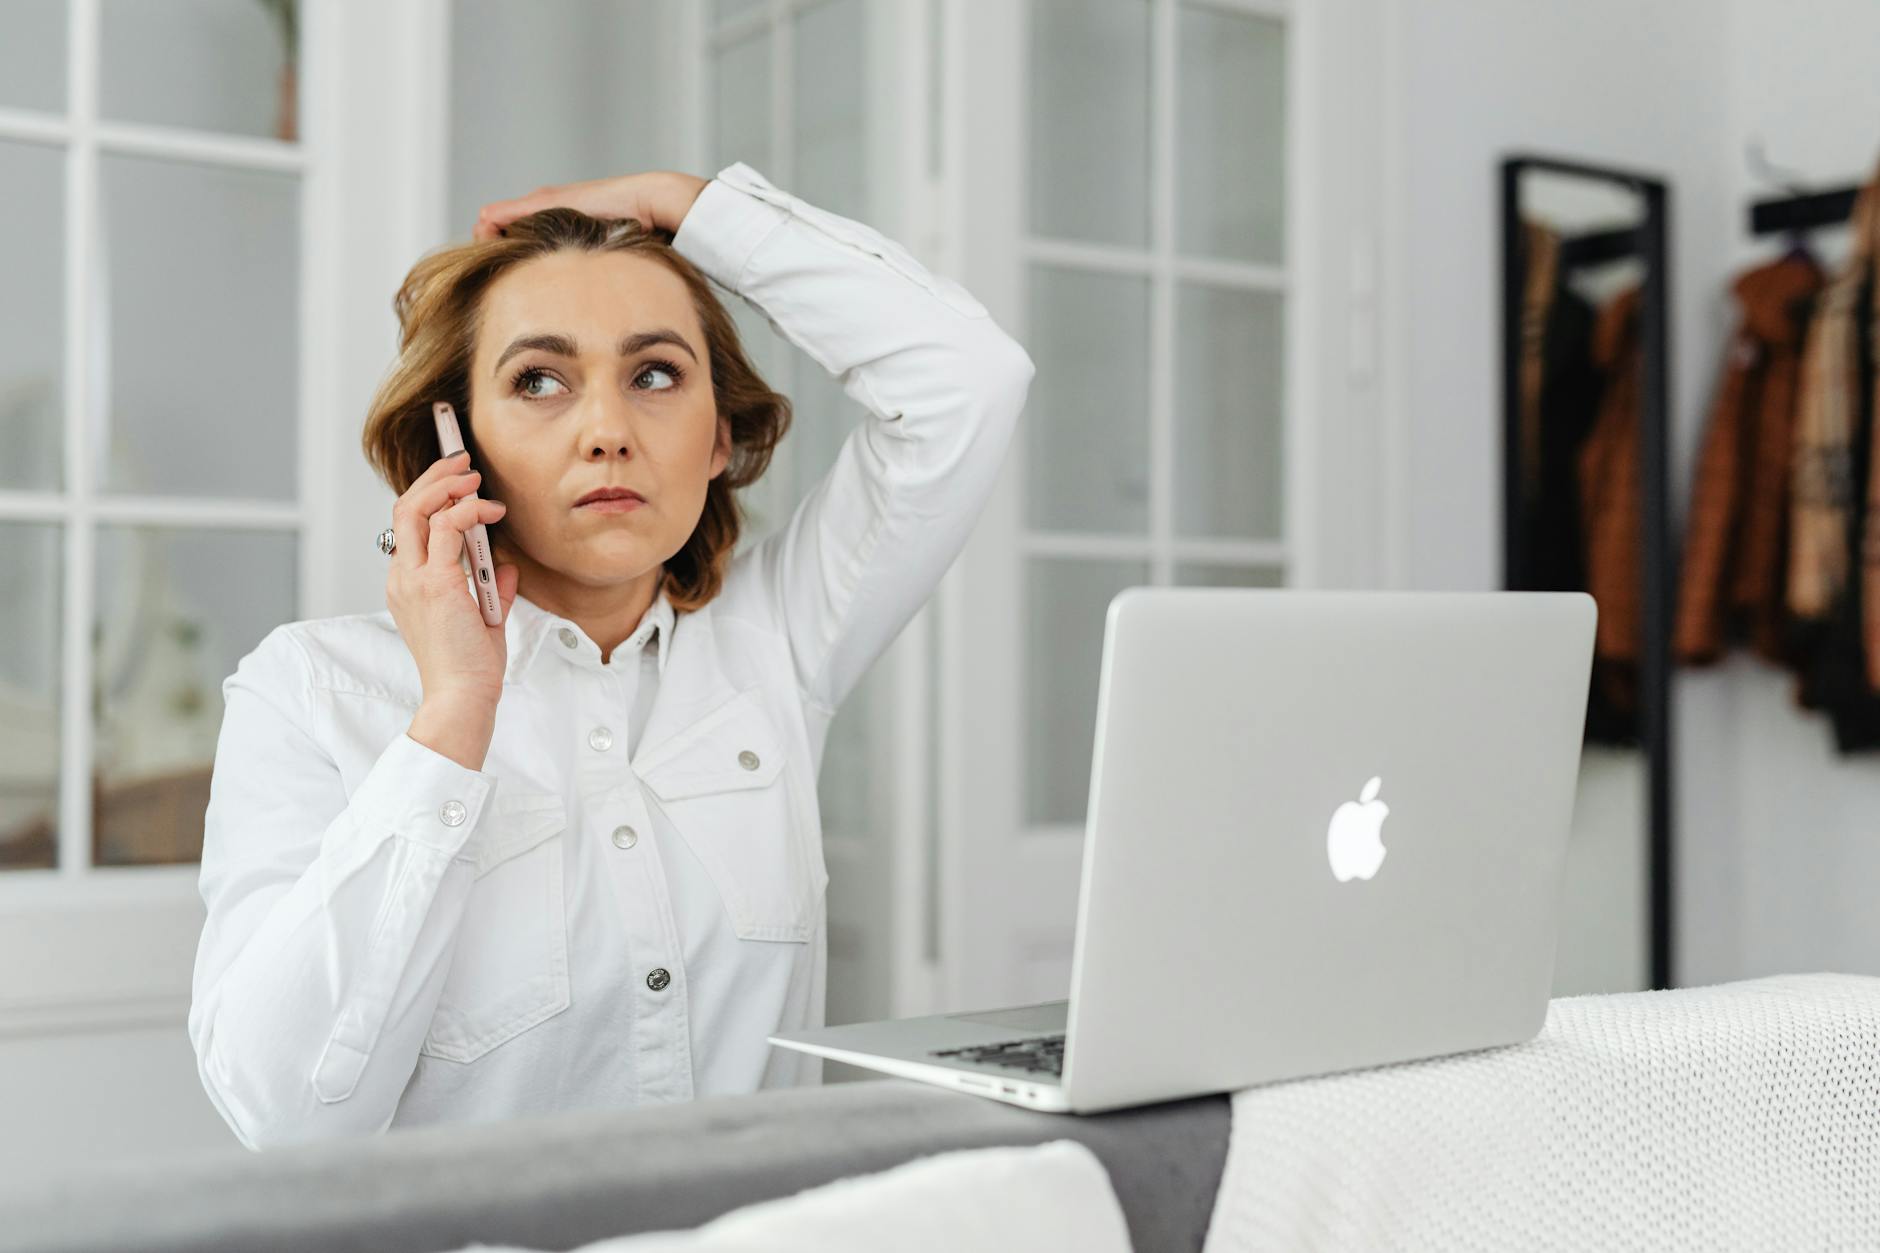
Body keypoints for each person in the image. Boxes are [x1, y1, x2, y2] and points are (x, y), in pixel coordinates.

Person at [186, 162, 1036, 1150]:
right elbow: (283, 1114)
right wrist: (455, 710)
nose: (607, 431)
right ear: (455, 445)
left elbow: (969, 379)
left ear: (720, 437)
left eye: (655, 374)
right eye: (538, 380)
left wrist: (693, 207)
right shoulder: (310, 693)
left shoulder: (774, 639)